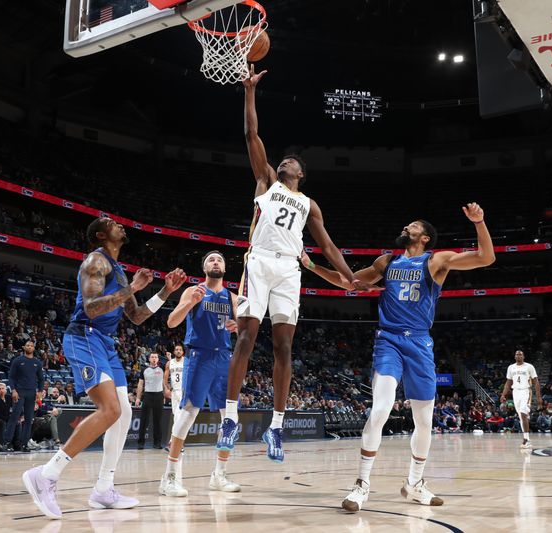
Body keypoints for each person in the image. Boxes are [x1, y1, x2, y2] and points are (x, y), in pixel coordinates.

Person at [304, 203, 495, 511]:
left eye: (413, 226)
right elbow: (348, 281)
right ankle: (361, 485)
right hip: (389, 340)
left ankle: (415, 484)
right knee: (380, 408)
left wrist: (480, 223)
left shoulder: (436, 261)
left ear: (425, 238)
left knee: (424, 420)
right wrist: (312, 267)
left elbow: (486, 257)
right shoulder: (387, 261)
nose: (407, 227)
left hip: (419, 343)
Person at [219, 65, 362, 465]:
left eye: (291, 163)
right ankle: (229, 419)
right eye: (282, 161)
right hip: (259, 261)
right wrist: (249, 92)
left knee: (284, 346)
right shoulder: (266, 181)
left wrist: (350, 279)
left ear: (302, 173)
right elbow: (251, 134)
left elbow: (329, 246)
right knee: (246, 338)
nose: (284, 163)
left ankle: (276, 427)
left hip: (289, 270)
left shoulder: (309, 204)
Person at [22, 216, 186, 519]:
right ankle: (46, 475)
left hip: (105, 343)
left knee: (123, 413)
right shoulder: (95, 262)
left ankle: (103, 489)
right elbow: (92, 307)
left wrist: (164, 292)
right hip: (84, 335)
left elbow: (135, 316)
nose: (120, 225)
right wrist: (133, 287)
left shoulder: (119, 271)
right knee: (110, 410)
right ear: (100, 234)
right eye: (111, 223)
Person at [159, 251, 240, 497]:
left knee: (230, 419)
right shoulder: (193, 291)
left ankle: (219, 475)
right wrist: (189, 303)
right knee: (187, 415)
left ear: (224, 268)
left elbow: (246, 331)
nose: (216, 262)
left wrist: (239, 327)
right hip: (199, 356)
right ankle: (169, 477)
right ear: (204, 267)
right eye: (211, 260)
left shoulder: (233, 298)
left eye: (220, 260)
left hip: (224, 358)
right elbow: (172, 322)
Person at [5, 340, 44, 452]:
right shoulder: (17, 360)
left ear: (34, 348)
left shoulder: (37, 362)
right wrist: (13, 390)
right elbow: (11, 377)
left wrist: (40, 391)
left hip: (31, 393)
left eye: (31, 346)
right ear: (24, 347)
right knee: (14, 417)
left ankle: (24, 444)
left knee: (28, 419)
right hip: (19, 391)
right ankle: (7, 442)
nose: (29, 347)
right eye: (27, 345)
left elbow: (41, 379)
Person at [499, 350, 542, 449]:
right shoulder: (511, 367)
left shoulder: (529, 366)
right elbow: (508, 382)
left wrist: (539, 397)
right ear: (514, 357)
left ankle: (526, 440)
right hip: (516, 392)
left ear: (524, 356)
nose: (518, 356)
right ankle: (525, 437)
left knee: (523, 413)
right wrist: (503, 394)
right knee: (521, 416)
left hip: (526, 391)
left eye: (520, 354)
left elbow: (536, 382)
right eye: (517, 354)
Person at [135, 352, 165, 449]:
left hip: (159, 395)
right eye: (152, 357)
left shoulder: (162, 369)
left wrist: (164, 395)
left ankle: (157, 443)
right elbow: (140, 384)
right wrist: (138, 398)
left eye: (156, 357)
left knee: (158, 421)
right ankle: (141, 443)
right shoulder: (144, 369)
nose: (154, 358)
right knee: (144, 420)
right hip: (147, 395)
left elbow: (165, 383)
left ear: (158, 359)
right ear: (149, 359)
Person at [163, 343, 185, 451]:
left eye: (180, 350)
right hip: (174, 392)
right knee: (177, 417)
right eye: (176, 349)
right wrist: (166, 389)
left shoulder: (186, 362)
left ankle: (174, 443)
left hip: (183, 392)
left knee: (179, 417)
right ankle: (178, 444)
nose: (178, 351)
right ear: (174, 351)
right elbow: (165, 378)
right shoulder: (169, 363)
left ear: (183, 352)